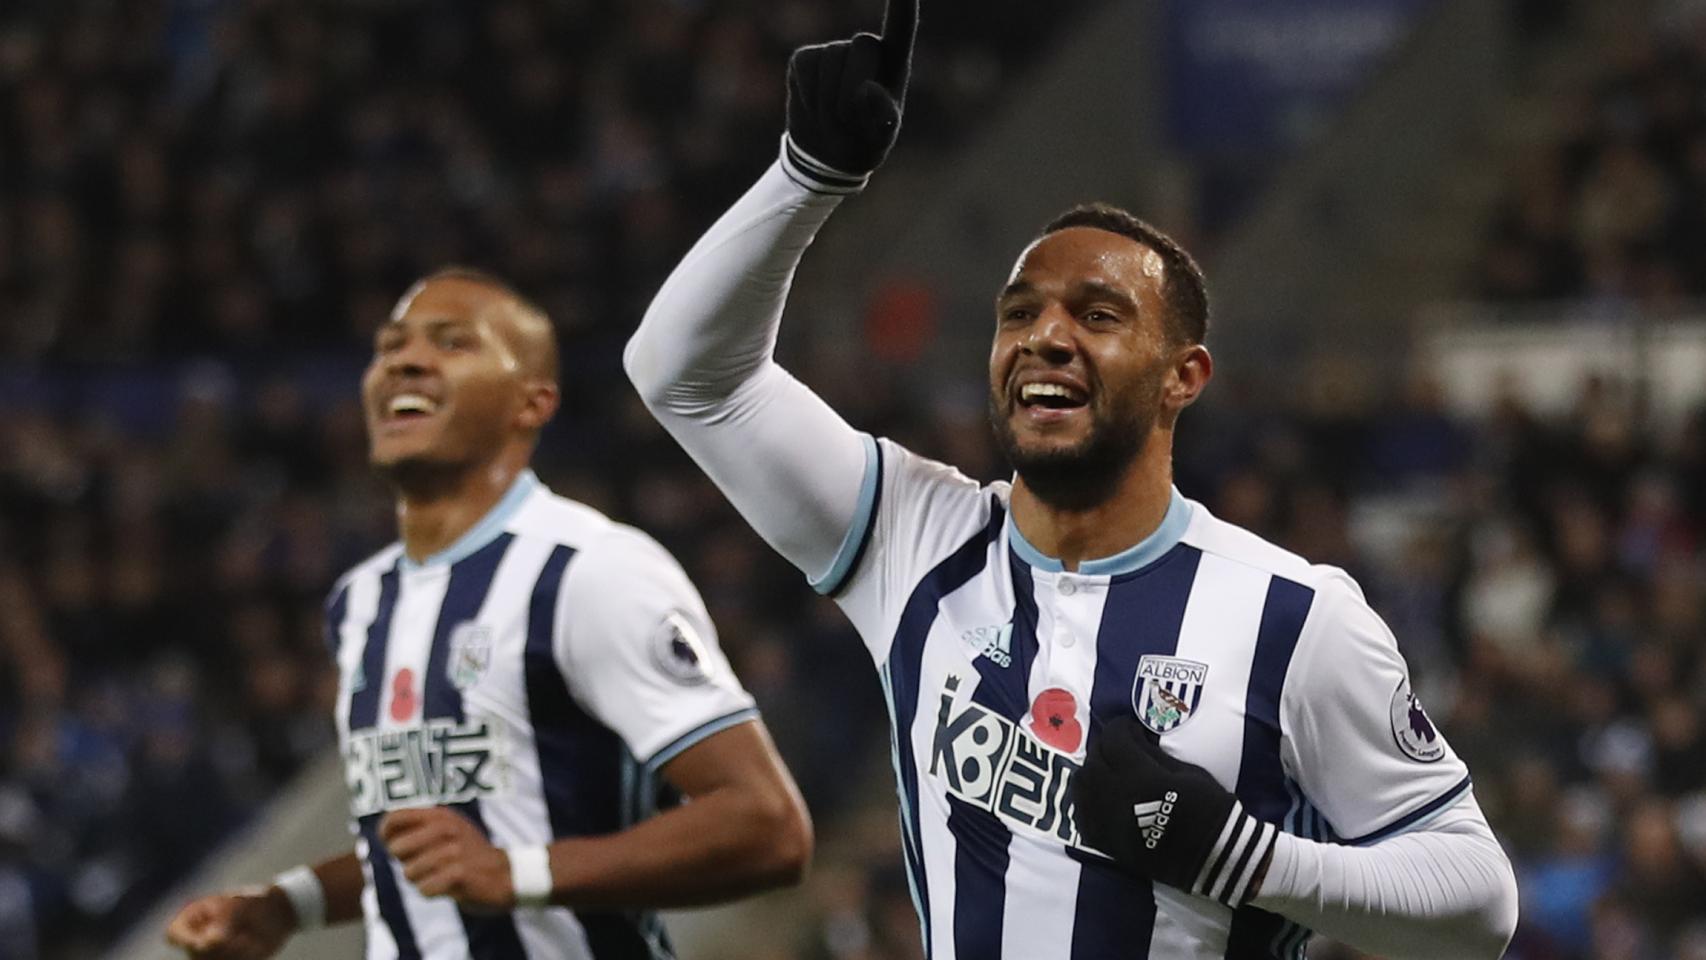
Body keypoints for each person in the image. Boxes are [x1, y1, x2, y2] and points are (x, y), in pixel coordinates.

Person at [623, 2, 1519, 958]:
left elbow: (1477, 906)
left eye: (1098, 314)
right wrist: (808, 178)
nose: (1046, 336)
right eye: (1019, 315)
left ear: (1185, 376)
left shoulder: (1296, 619)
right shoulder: (915, 537)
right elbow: (682, 373)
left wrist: (1237, 856)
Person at [166, 269, 812, 959]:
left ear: (531, 403)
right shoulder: (361, 602)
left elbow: (767, 828)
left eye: (452, 344)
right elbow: (444, 847)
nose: (404, 361)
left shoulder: (591, 571)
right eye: (390, 346)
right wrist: (287, 905)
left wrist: (517, 875)